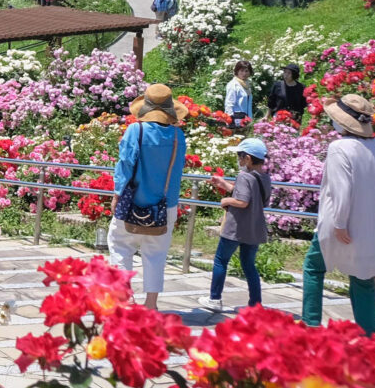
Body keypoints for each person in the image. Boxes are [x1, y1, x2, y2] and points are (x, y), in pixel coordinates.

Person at [302, 93, 375, 335]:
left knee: (313, 267)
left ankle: (310, 324)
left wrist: (340, 224)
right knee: (362, 279)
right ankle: (369, 337)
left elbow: (340, 191)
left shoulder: (339, 148)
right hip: (372, 225)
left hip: (339, 224)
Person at [109, 84, 189, 309]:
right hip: (166, 204)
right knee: (156, 254)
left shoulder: (136, 131)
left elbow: (125, 164)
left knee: (119, 246)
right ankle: (151, 304)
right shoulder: (177, 136)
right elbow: (177, 169)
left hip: (133, 201)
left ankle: (125, 298)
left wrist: (117, 194)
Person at [207, 137, 271, 311]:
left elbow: (242, 201)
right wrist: (224, 184)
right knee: (249, 265)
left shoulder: (244, 176)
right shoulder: (264, 177)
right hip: (254, 229)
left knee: (221, 260)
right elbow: (258, 200)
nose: (238, 159)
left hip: (236, 228)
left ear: (248, 158)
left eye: (240, 156)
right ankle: (255, 304)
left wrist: (225, 200)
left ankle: (215, 299)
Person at [224, 60, 255, 125]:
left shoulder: (246, 84)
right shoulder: (233, 85)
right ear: (237, 71)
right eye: (241, 71)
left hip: (246, 119)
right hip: (236, 119)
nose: (244, 73)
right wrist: (231, 120)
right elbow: (229, 104)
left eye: (246, 71)